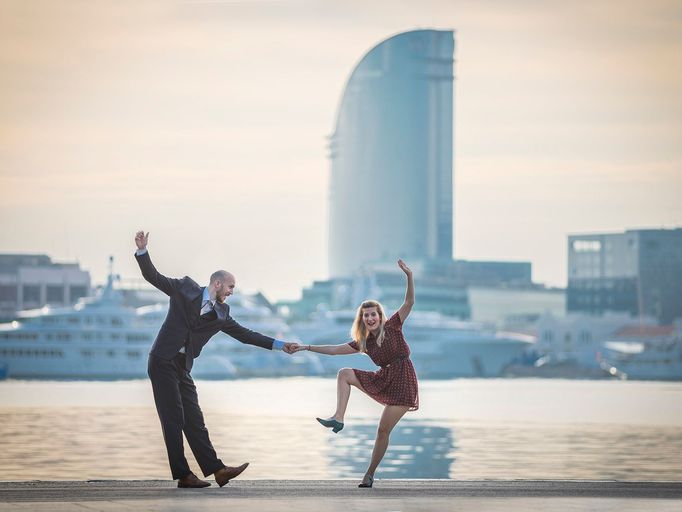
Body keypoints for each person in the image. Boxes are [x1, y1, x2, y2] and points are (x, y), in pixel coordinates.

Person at [133, 231, 297, 488]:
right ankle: (184, 475)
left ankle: (217, 470)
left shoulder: (222, 313)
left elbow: (245, 335)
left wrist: (279, 345)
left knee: (194, 419)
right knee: (173, 418)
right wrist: (143, 252)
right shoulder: (184, 288)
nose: (232, 292)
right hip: (162, 360)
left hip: (182, 366)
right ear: (217, 284)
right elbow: (153, 277)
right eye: (231, 287)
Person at [294, 259, 418, 488]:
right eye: (366, 315)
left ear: (380, 316)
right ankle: (338, 417)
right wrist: (306, 347)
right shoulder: (364, 343)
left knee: (382, 431)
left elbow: (409, 302)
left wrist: (409, 276)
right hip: (384, 378)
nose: (370, 318)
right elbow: (332, 350)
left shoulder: (393, 326)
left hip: (403, 381)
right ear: (362, 320)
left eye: (373, 314)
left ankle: (369, 474)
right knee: (344, 373)